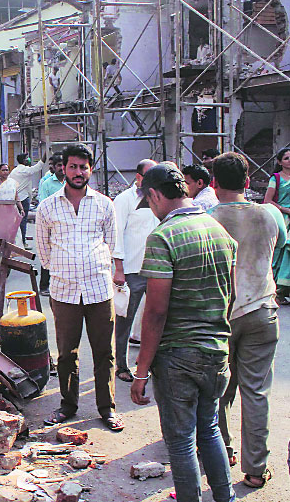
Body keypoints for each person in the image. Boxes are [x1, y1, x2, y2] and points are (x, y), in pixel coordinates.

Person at [130, 161, 237, 502]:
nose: (151, 210)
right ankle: (226, 498)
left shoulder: (163, 237)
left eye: (149, 202)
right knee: (209, 430)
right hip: (217, 351)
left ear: (156, 195)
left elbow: (156, 312)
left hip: (179, 357)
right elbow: (229, 294)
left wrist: (141, 371)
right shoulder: (218, 229)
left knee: (180, 441)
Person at [35, 144, 123, 431]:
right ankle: (68, 405)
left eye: (83, 167)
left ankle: (106, 408)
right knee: (66, 353)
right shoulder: (48, 207)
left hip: (99, 290)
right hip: (64, 292)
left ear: (90, 170)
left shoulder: (103, 204)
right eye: (73, 166)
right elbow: (43, 250)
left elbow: (112, 244)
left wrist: (97, 266)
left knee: (104, 353)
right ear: (64, 168)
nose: (78, 172)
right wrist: (62, 269)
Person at [210, 152, 283, 489]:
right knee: (256, 393)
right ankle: (256, 468)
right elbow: (280, 243)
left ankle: (222, 451)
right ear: (247, 181)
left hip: (222, 315)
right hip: (261, 311)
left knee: (219, 389)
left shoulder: (206, 219)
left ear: (214, 182)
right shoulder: (269, 215)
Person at [112, 159, 159, 383]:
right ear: (138, 177)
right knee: (125, 320)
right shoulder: (124, 201)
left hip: (158, 269)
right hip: (132, 269)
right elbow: (116, 235)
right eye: (149, 174)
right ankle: (121, 365)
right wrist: (119, 269)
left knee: (158, 317)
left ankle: (151, 363)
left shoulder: (160, 198)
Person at [37, 154, 65, 296]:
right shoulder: (46, 184)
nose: (61, 168)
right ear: (53, 167)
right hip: (51, 225)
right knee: (48, 255)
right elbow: (42, 204)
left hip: (67, 226)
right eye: (58, 165)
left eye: (63, 165)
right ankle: (44, 286)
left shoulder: (70, 183)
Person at [264, 147, 290, 302]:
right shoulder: (276, 178)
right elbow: (268, 201)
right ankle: (278, 290)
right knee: (281, 253)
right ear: (280, 162)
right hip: (282, 219)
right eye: (286, 158)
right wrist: (285, 209)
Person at [10, 152, 47, 247]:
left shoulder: (15, 170)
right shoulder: (24, 170)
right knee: (22, 221)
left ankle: (17, 241)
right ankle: (22, 242)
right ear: (23, 160)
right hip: (22, 198)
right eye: (27, 158)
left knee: (17, 221)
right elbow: (38, 166)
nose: (29, 159)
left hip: (16, 198)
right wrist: (45, 153)